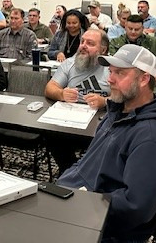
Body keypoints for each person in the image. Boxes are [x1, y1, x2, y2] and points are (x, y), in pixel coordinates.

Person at [58, 45, 156, 242]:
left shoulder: (152, 140)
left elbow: (134, 208)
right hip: (75, 202)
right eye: (111, 71)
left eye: (120, 73)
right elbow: (85, 163)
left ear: (144, 79)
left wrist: (80, 203)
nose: (110, 79)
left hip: (101, 229)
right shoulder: (117, 113)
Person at [45, 28, 110, 173]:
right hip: (72, 119)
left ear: (103, 50)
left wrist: (104, 101)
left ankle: (87, 173)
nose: (83, 46)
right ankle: (70, 172)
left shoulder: (111, 68)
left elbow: (124, 97)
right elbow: (50, 88)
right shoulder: (69, 64)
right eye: (82, 42)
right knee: (52, 135)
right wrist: (61, 94)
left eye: (90, 43)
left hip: (100, 121)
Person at [109, 15, 156, 92]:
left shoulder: (154, 43)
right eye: (130, 29)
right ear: (125, 27)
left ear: (142, 28)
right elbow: (113, 65)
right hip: (123, 84)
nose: (133, 32)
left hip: (149, 84)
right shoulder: (115, 43)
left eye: (137, 29)